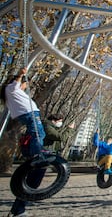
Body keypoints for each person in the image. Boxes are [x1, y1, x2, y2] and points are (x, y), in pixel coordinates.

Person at [1, 68, 50, 217]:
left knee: (35, 135)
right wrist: (21, 74)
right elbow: (16, 85)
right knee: (38, 133)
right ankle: (36, 153)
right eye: (24, 84)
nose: (25, 86)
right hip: (30, 116)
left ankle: (18, 210)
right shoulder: (11, 88)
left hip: (28, 117)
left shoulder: (12, 95)